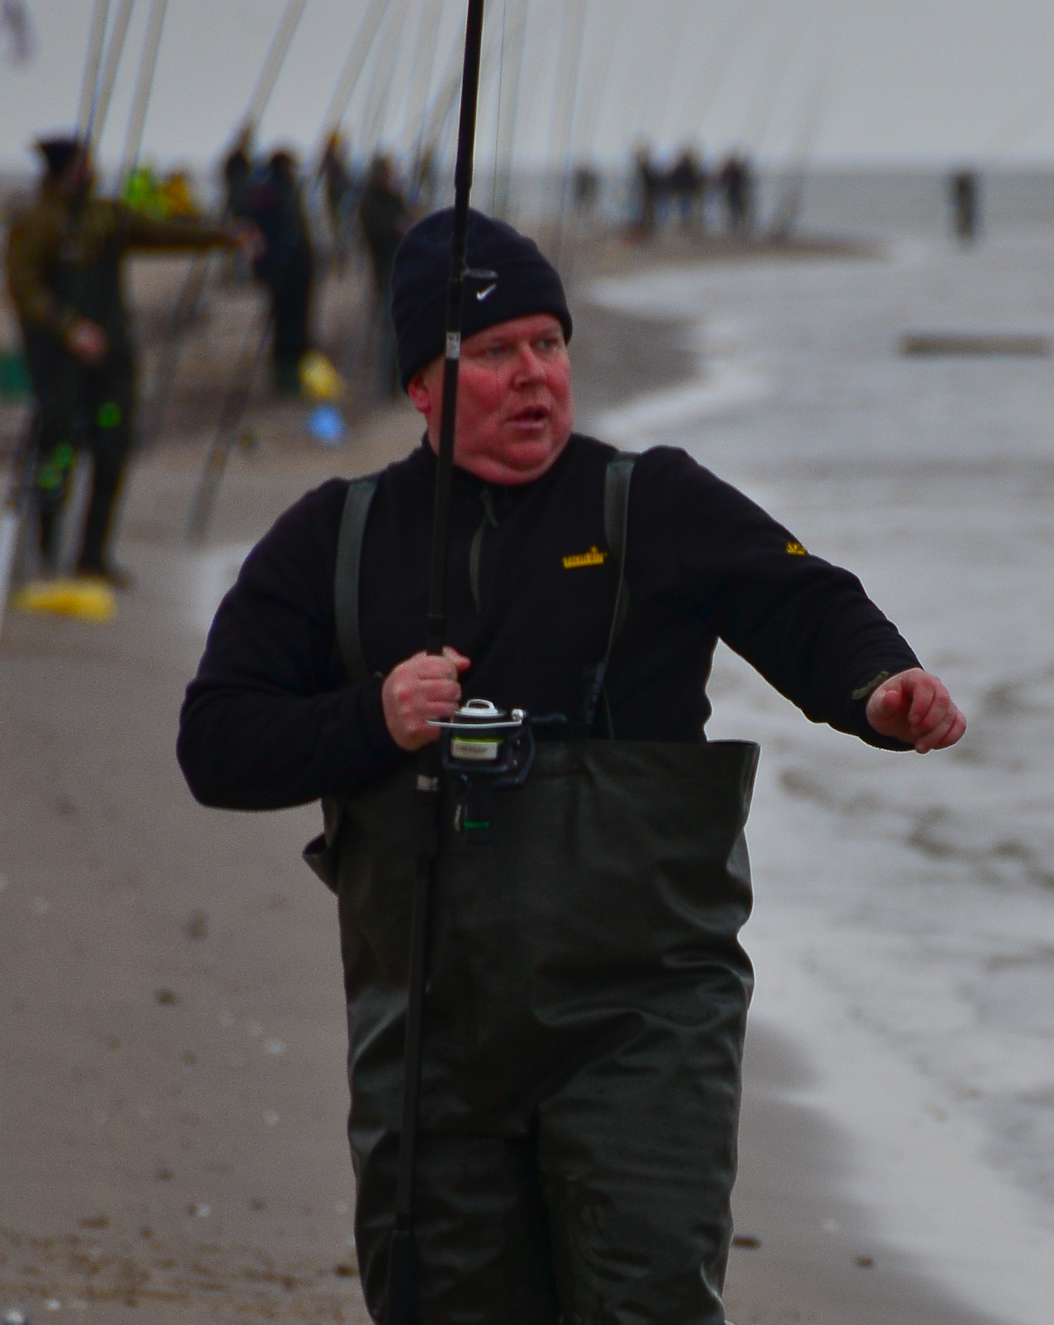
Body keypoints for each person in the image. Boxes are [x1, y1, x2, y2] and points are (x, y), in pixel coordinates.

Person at [176, 208, 965, 1325]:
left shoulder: (653, 501)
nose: (534, 374)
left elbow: (805, 604)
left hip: (642, 1021)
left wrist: (880, 691)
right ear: (419, 383)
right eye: (496, 352)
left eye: (550, 344)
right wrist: (373, 718)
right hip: (426, 1035)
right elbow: (215, 742)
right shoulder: (333, 539)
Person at [5, 135, 242, 582]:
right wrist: (68, 329)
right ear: (63, 169)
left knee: (113, 447)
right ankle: (46, 547)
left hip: (112, 360)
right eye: (82, 163)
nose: (89, 170)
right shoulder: (37, 223)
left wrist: (224, 237)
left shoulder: (106, 215)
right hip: (61, 364)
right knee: (57, 452)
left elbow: (162, 233)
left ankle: (93, 554)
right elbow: (25, 288)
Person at [242, 149, 316, 394]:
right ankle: (286, 377)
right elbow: (260, 232)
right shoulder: (271, 193)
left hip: (294, 267)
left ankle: (292, 374)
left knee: (294, 321)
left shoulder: (281, 191)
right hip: (283, 268)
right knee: (287, 322)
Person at [356, 156, 412, 396]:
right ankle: (385, 387)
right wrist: (395, 227)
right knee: (388, 328)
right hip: (384, 272)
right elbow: (374, 231)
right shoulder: (370, 201)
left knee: (402, 329)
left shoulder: (394, 198)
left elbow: (408, 220)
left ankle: (400, 382)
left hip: (402, 271)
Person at [716, 150, 754, 237]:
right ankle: (737, 225)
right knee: (736, 208)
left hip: (734, 191)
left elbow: (722, 179)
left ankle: (736, 225)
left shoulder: (733, 170)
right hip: (735, 191)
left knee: (735, 208)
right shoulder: (737, 170)